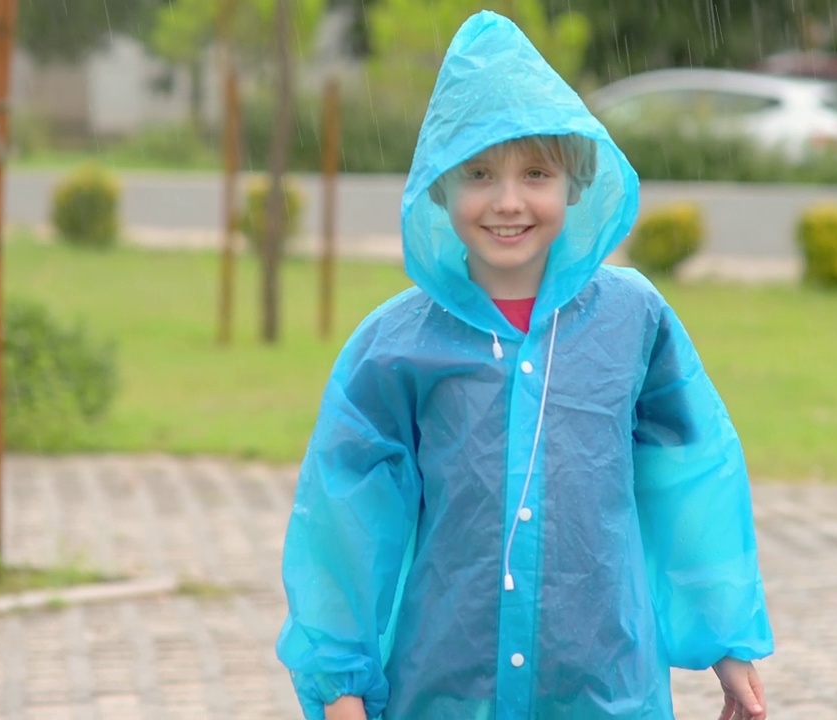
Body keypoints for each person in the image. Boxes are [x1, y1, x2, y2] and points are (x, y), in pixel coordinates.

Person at [276, 11, 773, 720]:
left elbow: (688, 474)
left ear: (575, 180)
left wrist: (726, 639)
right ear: (441, 186)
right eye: (478, 173)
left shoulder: (635, 321)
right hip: (444, 690)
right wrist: (342, 684)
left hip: (605, 689)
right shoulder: (393, 349)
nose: (507, 201)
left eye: (535, 172)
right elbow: (347, 513)